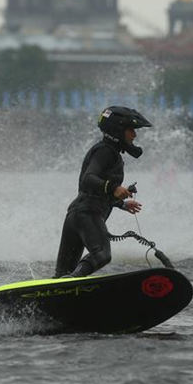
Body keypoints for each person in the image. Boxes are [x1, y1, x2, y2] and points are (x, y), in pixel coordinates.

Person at [54, 106, 153, 278]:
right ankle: (74, 281)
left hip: (76, 215)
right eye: (131, 130)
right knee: (102, 255)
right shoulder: (105, 151)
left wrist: (121, 203)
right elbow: (88, 178)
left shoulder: (109, 152)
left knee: (62, 276)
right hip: (87, 214)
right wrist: (114, 188)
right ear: (118, 130)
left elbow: (94, 192)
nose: (134, 135)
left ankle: (49, 300)